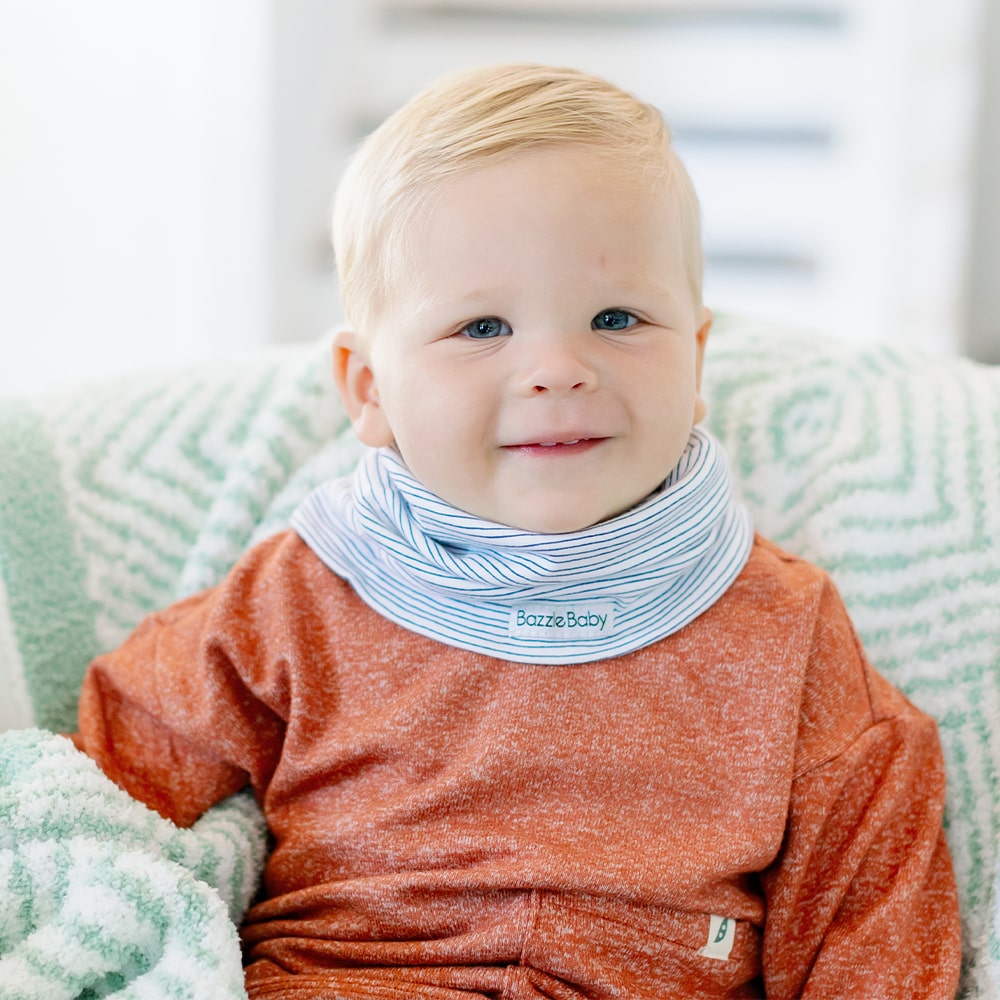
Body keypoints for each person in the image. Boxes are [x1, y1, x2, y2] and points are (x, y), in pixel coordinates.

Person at [74, 63, 962, 998]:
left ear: (697, 359)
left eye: (616, 318)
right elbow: (103, 782)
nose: (556, 368)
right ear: (369, 389)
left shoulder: (784, 629)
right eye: (482, 326)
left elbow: (871, 910)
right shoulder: (303, 593)